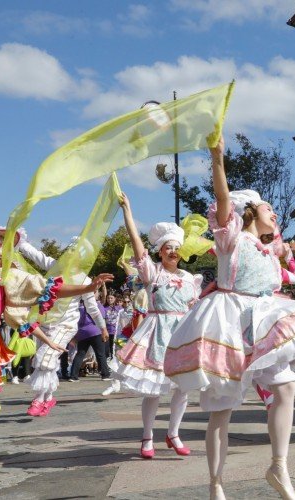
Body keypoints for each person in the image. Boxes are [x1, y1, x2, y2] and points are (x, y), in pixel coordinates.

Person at [163, 135, 295, 500]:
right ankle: (216, 484)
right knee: (222, 407)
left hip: (261, 321)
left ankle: (279, 466)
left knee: (286, 385)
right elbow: (223, 200)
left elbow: (287, 279)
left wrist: (287, 255)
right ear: (251, 213)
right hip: (227, 322)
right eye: (268, 208)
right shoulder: (231, 238)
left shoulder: (269, 251)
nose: (274, 213)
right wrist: (217, 158)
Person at [0, 210, 112, 422]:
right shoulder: (54, 266)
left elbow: (44, 290)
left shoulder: (6, 279)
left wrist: (88, 288)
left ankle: (43, 397)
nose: (3, 253)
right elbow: (30, 252)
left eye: (4, 247)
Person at [108, 193, 202, 460]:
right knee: (153, 389)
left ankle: (173, 433)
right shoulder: (153, 273)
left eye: (176, 247)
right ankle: (147, 436)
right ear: (160, 251)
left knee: (182, 388)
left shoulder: (189, 278)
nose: (173, 251)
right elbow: (137, 247)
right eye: (167, 247)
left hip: (182, 333)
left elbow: (195, 307)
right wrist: (128, 210)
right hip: (157, 330)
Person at [17, 235, 109, 415]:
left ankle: (38, 399)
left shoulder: (84, 280)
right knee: (47, 362)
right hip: (45, 323)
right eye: (70, 251)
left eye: (75, 252)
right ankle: (48, 397)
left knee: (45, 358)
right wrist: (16, 238)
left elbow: (93, 308)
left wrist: (102, 327)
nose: (70, 254)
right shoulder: (54, 267)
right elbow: (34, 254)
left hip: (66, 325)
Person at [69, 290, 110, 382]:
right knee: (100, 354)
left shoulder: (80, 307)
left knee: (80, 353)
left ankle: (73, 376)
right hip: (96, 331)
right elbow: (101, 318)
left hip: (82, 332)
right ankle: (105, 374)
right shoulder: (96, 305)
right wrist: (104, 330)